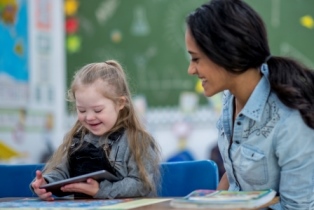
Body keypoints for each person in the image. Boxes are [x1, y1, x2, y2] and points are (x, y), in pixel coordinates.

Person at [185, 0, 314, 209]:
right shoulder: (230, 100)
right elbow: (237, 175)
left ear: (225, 53)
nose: (191, 69)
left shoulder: (290, 121)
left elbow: (297, 207)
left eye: (196, 59)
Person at [31, 60, 161, 200]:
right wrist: (46, 183)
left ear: (120, 103)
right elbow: (61, 172)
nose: (89, 117)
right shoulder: (76, 139)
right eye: (81, 110)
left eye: (98, 110)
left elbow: (142, 185)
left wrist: (101, 190)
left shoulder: (137, 140)